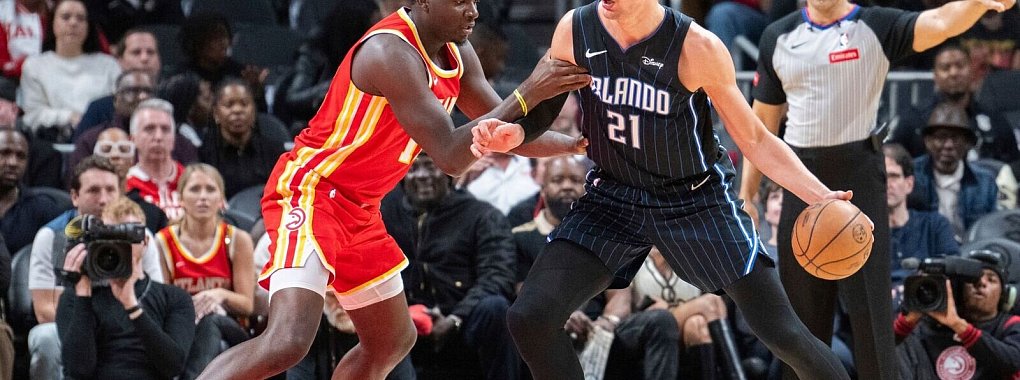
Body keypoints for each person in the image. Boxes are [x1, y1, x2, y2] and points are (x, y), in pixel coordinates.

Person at [195, 0, 590, 378]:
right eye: (458, 1)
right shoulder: (389, 52)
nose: (473, 11)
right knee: (288, 341)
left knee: (392, 341)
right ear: (421, 1)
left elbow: (503, 131)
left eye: (473, 0)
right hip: (314, 191)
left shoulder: (459, 51)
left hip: (360, 206)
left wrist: (575, 145)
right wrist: (530, 90)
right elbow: (452, 156)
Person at [470, 0, 859, 379]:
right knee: (529, 318)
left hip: (693, 200)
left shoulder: (697, 46)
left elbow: (755, 139)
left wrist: (820, 195)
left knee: (782, 333)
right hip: (613, 197)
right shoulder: (575, 28)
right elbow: (547, 105)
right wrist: (518, 131)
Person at [738, 0, 1018, 377]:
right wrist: (748, 195)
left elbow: (938, 21)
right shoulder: (779, 36)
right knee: (800, 326)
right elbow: (760, 127)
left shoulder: (875, 25)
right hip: (799, 178)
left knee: (873, 319)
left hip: (860, 174)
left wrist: (977, 3)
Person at [380, 153, 518, 380]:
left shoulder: (482, 215)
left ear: (449, 172)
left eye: (430, 166)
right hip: (404, 325)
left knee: (496, 308)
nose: (422, 175)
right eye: (414, 168)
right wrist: (404, 316)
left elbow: (497, 277)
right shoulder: (383, 215)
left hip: (463, 322)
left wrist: (455, 319)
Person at [27, 156, 164, 380]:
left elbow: (156, 300)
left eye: (111, 190)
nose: (103, 199)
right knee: (46, 337)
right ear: (74, 196)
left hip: (127, 323)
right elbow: (44, 311)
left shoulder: (141, 236)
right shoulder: (51, 237)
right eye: (93, 190)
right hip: (72, 324)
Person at [56, 196, 195, 380]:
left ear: (145, 242)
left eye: (127, 236)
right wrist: (82, 293)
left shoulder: (175, 297)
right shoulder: (75, 297)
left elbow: (173, 366)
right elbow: (79, 370)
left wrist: (132, 307)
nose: (119, 245)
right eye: (111, 237)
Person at [153, 163, 254, 380]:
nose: (203, 197)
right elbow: (161, 305)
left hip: (231, 328)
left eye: (210, 189)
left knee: (211, 321)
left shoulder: (237, 239)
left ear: (221, 199)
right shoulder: (163, 242)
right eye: (195, 189)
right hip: (182, 328)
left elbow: (248, 305)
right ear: (180, 198)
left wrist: (219, 295)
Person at [894, 250, 1020, 378]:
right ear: (959, 289)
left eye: (991, 279)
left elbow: (1014, 362)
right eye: (973, 279)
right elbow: (880, 349)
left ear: (1004, 294)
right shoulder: (929, 322)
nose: (981, 283)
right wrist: (908, 321)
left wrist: (960, 327)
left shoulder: (1011, 325)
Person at [889, 44, 1019, 163]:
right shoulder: (914, 119)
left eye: (960, 66)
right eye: (946, 68)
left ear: (972, 71)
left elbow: (1015, 163)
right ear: (935, 75)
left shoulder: (994, 120)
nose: (954, 73)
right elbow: (893, 160)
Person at [19, 0, 119, 140]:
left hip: (102, 140)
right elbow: (32, 115)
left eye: (80, 18)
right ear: (52, 22)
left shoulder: (109, 65)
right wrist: (69, 117)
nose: (73, 23)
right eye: (66, 17)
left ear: (88, 25)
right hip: (52, 141)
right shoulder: (34, 65)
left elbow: (117, 107)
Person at [908, 103, 999, 241]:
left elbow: (993, 229)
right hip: (925, 253)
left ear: (967, 143)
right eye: (941, 137)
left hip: (971, 254)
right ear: (928, 141)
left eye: (956, 138)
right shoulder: (910, 175)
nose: (948, 145)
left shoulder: (985, 182)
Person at [198, 79, 287, 198]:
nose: (237, 110)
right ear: (216, 113)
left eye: (244, 104)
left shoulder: (275, 152)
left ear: (254, 111)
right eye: (229, 105)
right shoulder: (204, 155)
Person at [883, 143, 959, 283]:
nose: (887, 184)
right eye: (881, 177)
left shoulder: (935, 225)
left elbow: (953, 270)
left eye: (893, 176)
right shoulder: (863, 232)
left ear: (909, 184)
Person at [125, 98, 185, 221]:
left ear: (173, 140)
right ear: (132, 139)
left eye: (165, 129)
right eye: (149, 129)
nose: (158, 137)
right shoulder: (126, 186)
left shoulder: (193, 180)